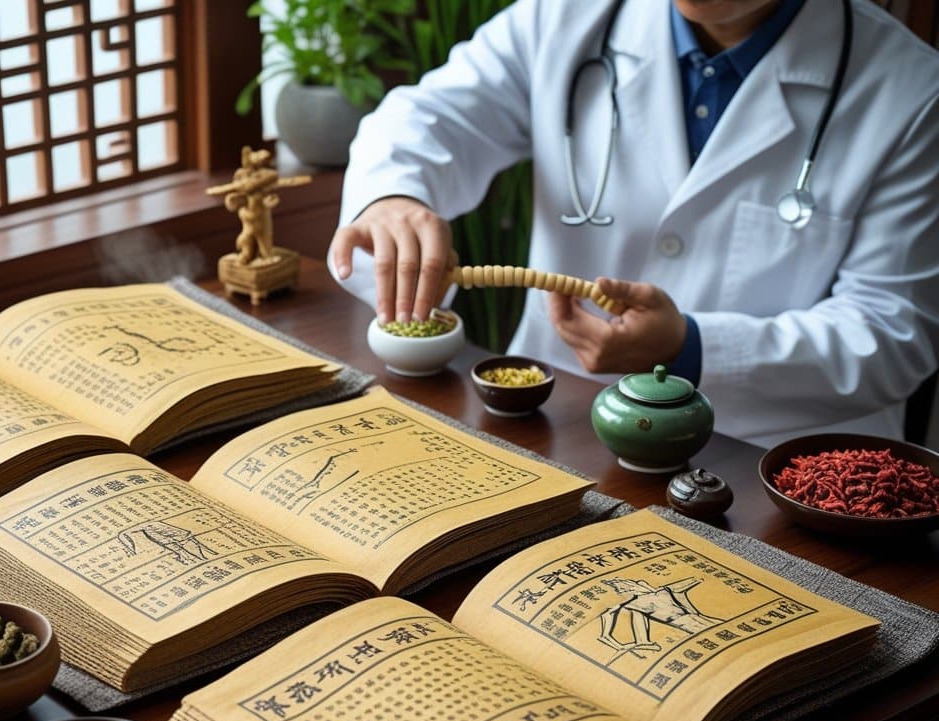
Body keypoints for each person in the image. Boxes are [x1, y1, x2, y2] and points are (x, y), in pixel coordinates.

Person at [328, 0, 939, 447]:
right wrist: (392, 195)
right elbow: (427, 118)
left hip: (769, 462)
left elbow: (894, 330)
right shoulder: (563, 18)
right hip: (554, 422)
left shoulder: (912, 91)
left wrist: (692, 349)